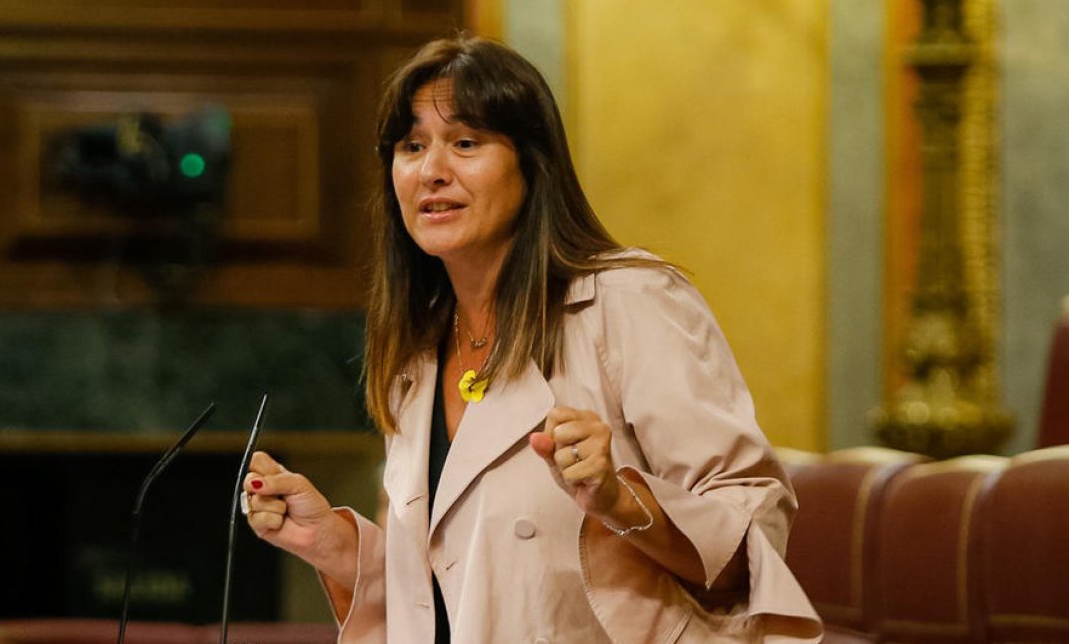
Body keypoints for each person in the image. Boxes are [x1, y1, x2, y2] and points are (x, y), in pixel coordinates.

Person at [240, 34, 823, 643]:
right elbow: (463, 590)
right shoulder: (417, 347)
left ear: (531, 164)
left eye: (465, 143)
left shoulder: (627, 301)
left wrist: (619, 501)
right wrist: (334, 545)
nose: (432, 171)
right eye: (412, 147)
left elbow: (753, 539)